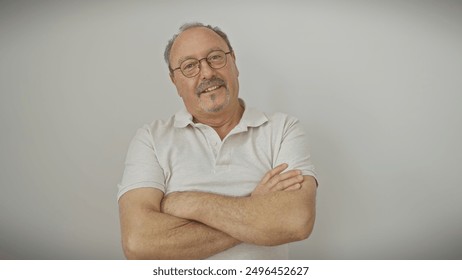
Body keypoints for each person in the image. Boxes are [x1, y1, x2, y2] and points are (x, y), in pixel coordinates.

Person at [117, 22, 318, 260]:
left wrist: (188, 203)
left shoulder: (282, 129)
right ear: (174, 81)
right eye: (190, 66)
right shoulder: (151, 138)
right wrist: (256, 209)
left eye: (215, 57)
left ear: (234, 62)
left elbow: (296, 221)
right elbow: (139, 243)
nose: (207, 73)